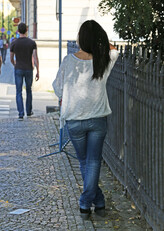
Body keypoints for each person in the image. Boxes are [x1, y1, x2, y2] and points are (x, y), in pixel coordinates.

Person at [52, 20, 119, 220]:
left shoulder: (68, 61)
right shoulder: (104, 60)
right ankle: (97, 201)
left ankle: (85, 203)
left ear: (80, 38)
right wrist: (100, 42)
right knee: (92, 162)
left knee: (86, 162)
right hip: (98, 119)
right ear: (98, 39)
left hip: (74, 120)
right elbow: (115, 49)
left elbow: (57, 88)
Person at [10, 22, 39, 120]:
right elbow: (35, 57)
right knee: (29, 91)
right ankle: (29, 111)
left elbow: (11, 58)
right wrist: (38, 70)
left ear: (18, 31)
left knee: (18, 92)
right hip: (28, 69)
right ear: (26, 30)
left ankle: (21, 113)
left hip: (18, 68)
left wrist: (15, 64)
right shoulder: (32, 43)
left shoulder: (14, 43)